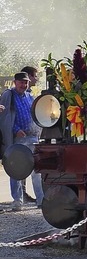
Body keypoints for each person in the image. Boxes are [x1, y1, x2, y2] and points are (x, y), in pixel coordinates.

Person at [0, 72, 44, 210]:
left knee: (36, 169)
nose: (23, 85)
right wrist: (15, 129)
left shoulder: (30, 96)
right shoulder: (8, 95)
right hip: (17, 137)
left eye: (25, 82)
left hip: (32, 136)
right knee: (17, 169)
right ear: (15, 82)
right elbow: (5, 117)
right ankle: (17, 200)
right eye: (21, 82)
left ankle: (41, 200)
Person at [20, 66, 40, 203]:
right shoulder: (14, 95)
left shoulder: (29, 95)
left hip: (32, 134)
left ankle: (36, 196)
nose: (37, 79)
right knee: (21, 164)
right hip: (21, 135)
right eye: (35, 76)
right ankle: (21, 194)